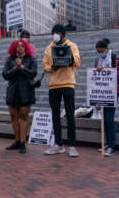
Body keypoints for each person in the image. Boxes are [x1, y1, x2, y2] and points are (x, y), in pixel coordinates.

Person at [43, 24, 81, 157]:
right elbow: (45, 65)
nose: (56, 35)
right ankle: (58, 144)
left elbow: (77, 61)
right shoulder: (49, 48)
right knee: (55, 115)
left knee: (70, 115)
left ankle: (72, 145)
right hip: (54, 85)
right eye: (54, 33)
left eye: (58, 33)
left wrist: (67, 56)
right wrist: (52, 67)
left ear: (63, 34)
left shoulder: (72, 45)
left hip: (68, 83)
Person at [3, 40, 37, 153]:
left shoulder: (30, 59)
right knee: (13, 117)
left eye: (22, 46)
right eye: (18, 47)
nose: (20, 48)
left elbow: (33, 73)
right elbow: (5, 75)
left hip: (25, 91)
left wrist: (21, 67)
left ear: (26, 47)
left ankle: (23, 142)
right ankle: (17, 141)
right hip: (13, 91)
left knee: (24, 116)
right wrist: (15, 68)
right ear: (14, 48)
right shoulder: (9, 59)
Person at [94, 38, 119, 156]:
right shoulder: (97, 60)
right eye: (98, 51)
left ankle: (111, 145)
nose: (100, 53)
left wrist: (105, 70)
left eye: (101, 51)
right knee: (105, 117)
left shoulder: (115, 58)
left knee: (109, 118)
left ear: (107, 49)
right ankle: (107, 143)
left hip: (113, 91)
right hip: (103, 91)